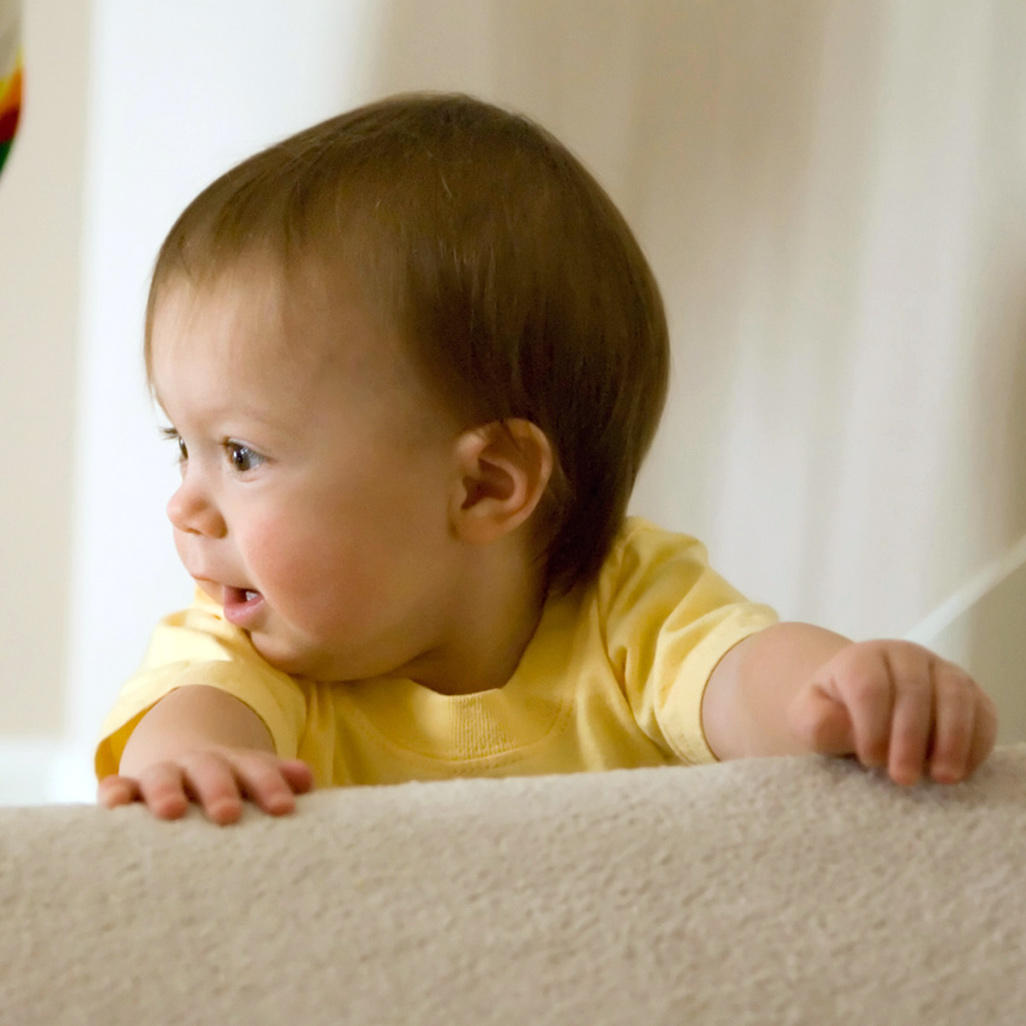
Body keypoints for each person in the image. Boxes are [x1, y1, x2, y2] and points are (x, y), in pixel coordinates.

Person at [95, 93, 998, 825]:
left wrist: (846, 693)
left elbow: (744, 676)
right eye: (185, 447)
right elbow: (194, 723)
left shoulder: (628, 611)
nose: (186, 507)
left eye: (242, 455)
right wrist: (198, 769)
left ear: (485, 485)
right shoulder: (252, 648)